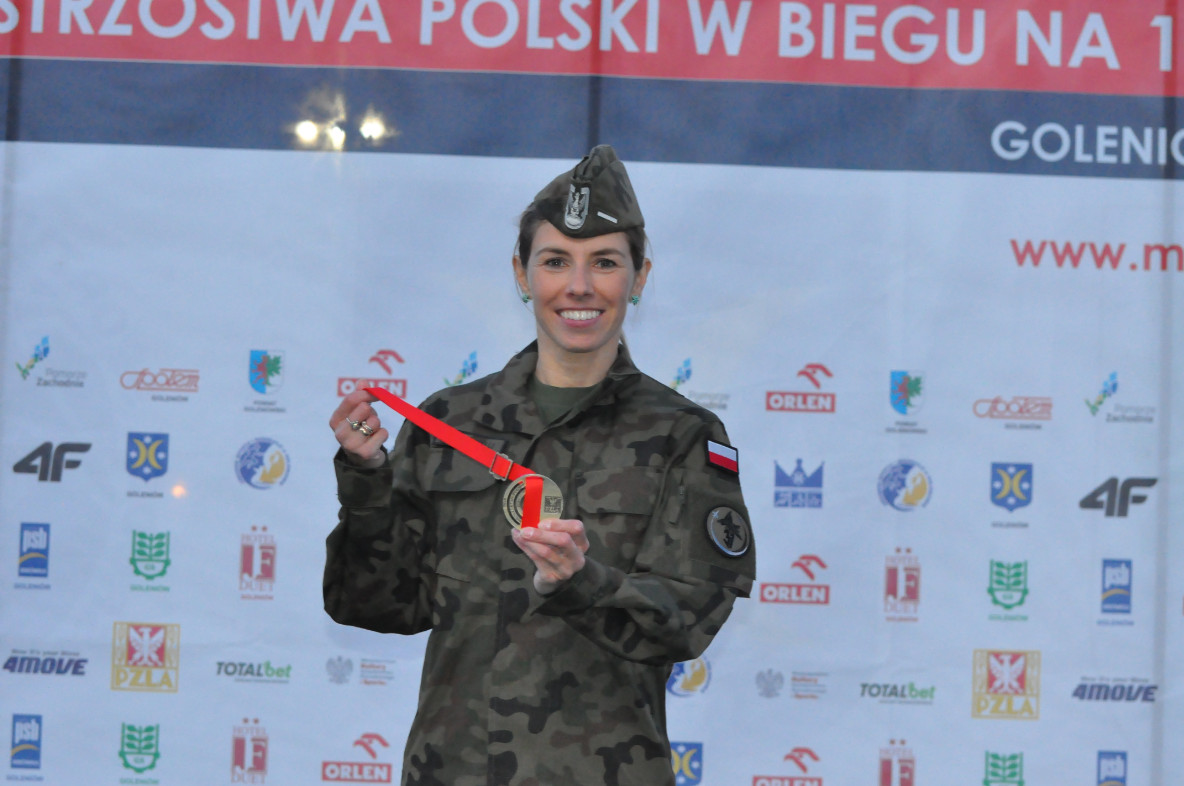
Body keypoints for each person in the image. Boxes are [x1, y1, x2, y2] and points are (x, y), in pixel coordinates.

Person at [324, 145, 754, 786]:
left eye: (604, 262)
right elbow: (376, 605)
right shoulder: (448, 421)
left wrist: (581, 581)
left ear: (638, 278)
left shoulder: (683, 435)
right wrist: (366, 479)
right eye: (555, 261)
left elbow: (687, 621)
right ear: (522, 275)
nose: (578, 286)